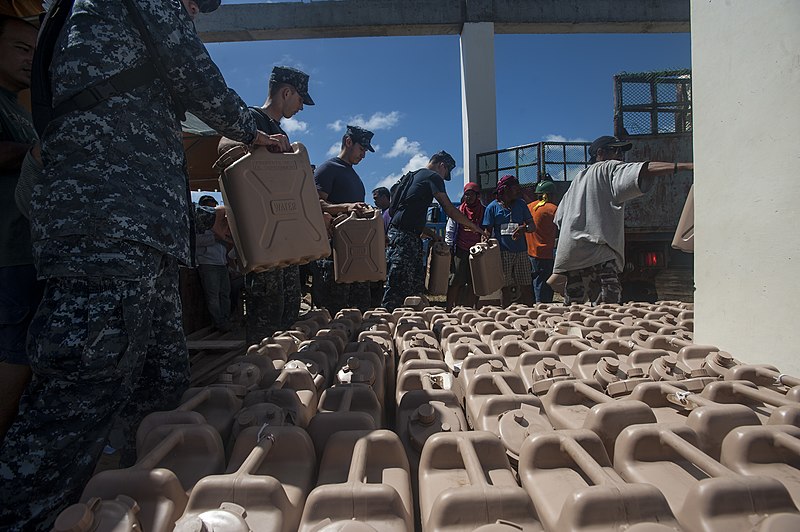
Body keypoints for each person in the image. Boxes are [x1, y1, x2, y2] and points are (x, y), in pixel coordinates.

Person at [0, 1, 286, 529]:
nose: (195, 11)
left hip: (140, 226)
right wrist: (255, 127)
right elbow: (196, 72)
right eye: (197, 3)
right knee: (83, 380)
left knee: (160, 373)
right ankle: (25, 513)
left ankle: (126, 493)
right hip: (105, 216)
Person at [218, 65, 312, 345]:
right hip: (264, 244)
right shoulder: (251, 119)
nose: (301, 108)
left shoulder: (276, 129)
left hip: (284, 245)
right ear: (286, 92)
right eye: (300, 100)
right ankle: (260, 382)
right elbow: (224, 147)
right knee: (266, 327)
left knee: (287, 316)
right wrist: (260, 143)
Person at [553, 135, 693, 304]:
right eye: (616, 149)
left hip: (571, 253)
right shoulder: (609, 167)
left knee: (575, 308)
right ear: (600, 153)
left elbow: (558, 218)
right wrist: (686, 166)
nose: (621, 154)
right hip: (597, 251)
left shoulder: (578, 179)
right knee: (606, 310)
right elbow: (644, 169)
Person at [0, 15, 41, 443]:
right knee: (12, 356)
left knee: (26, 355)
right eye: (21, 49)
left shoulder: (17, 107)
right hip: (7, 252)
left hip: (28, 248)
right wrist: (35, 151)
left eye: (35, 51)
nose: (30, 60)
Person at [382, 151, 484, 311]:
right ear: (442, 165)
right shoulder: (433, 177)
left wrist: (433, 235)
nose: (444, 178)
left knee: (413, 288)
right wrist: (473, 226)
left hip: (402, 235)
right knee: (397, 287)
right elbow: (449, 209)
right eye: (446, 173)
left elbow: (405, 215)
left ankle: (407, 325)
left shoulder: (412, 176)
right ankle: (388, 323)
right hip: (405, 238)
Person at [312, 125, 373, 314]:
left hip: (356, 253)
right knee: (333, 314)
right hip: (334, 254)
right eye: (361, 149)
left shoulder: (354, 176)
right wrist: (345, 207)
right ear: (348, 142)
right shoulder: (328, 169)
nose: (363, 155)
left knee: (359, 312)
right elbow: (314, 205)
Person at [483, 174, 536, 306]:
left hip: (521, 252)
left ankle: (530, 311)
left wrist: (524, 228)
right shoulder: (492, 207)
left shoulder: (521, 205)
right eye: (515, 188)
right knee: (505, 287)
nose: (517, 191)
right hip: (502, 253)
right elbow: (487, 231)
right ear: (505, 190)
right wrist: (485, 242)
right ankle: (505, 313)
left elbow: (532, 226)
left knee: (526, 285)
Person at [194, 195, 233, 331]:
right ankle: (219, 323)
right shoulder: (199, 223)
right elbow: (196, 241)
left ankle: (226, 320)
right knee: (213, 296)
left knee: (224, 294)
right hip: (208, 263)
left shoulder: (220, 222)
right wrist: (215, 237)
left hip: (221, 263)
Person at [445, 181, 485, 310]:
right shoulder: (458, 212)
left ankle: (469, 309)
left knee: (474, 282)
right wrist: (449, 247)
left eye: (472, 194)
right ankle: (450, 307)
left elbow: (488, 229)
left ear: (477, 196)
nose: (469, 197)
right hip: (461, 250)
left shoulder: (484, 211)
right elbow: (450, 230)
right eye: (467, 194)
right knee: (455, 281)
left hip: (478, 252)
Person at [526, 178, 559, 303]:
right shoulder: (552, 209)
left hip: (530, 252)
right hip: (545, 253)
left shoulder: (529, 207)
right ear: (548, 194)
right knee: (544, 284)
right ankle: (542, 308)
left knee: (535, 281)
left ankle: (536, 304)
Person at [369, 186, 391, 307]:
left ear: (384, 197)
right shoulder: (381, 213)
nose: (375, 202)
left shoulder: (391, 213)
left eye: (376, 198)